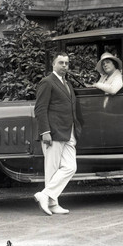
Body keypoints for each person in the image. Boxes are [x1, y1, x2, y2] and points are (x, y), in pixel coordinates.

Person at [33, 52, 81, 216]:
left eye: (67, 63)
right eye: (61, 63)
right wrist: (45, 132)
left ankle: (45, 195)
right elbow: (40, 109)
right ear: (53, 65)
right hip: (53, 133)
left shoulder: (66, 83)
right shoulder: (47, 82)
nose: (64, 66)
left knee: (70, 167)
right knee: (52, 170)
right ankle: (53, 204)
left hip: (68, 132)